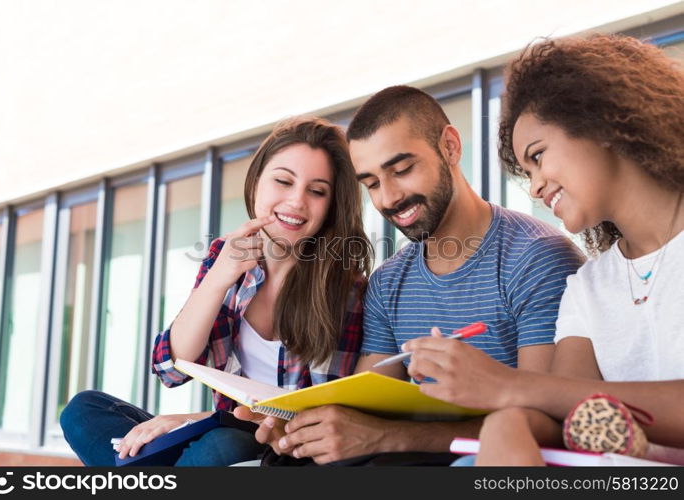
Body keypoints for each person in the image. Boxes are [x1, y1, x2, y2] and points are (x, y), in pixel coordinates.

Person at [235, 86, 585, 465]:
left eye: (401, 170)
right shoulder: (388, 283)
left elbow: (549, 420)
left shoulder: (537, 258)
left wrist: (391, 436)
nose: (387, 198)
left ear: (450, 147)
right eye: (370, 183)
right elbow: (364, 409)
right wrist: (306, 427)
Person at [404, 34, 684, 466]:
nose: (534, 187)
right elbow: (564, 409)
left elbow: (553, 393)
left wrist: (507, 387)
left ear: (602, 122)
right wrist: (506, 422)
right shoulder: (589, 285)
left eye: (538, 156)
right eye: (525, 170)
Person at [60, 116, 372, 466]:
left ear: (330, 206)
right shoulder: (224, 259)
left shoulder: (348, 290)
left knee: (223, 445)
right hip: (223, 438)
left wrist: (188, 420)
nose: (297, 201)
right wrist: (219, 277)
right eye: (283, 181)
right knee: (84, 410)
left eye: (316, 191)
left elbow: (318, 419)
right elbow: (169, 369)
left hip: (287, 453)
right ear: (256, 184)